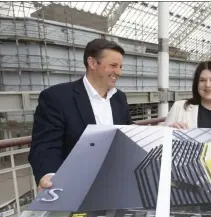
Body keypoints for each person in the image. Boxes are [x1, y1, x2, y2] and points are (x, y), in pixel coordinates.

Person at [28, 39, 133, 191]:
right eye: (113, 66)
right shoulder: (57, 97)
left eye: (120, 67)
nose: (119, 72)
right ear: (92, 63)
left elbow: (128, 130)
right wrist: (49, 174)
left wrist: (164, 130)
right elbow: (45, 145)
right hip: (75, 187)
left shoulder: (119, 98)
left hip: (115, 182)